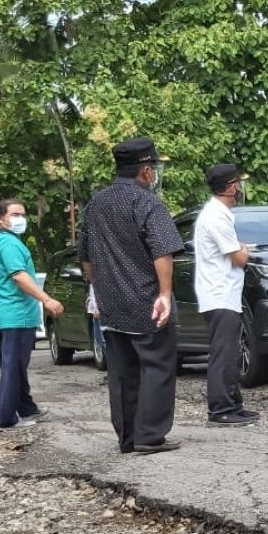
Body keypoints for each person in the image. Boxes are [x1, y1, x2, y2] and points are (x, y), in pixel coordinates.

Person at [78, 136, 184, 453]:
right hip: (146, 299)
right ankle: (150, 435)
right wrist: (165, 294)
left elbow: (86, 257)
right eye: (154, 167)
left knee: (122, 371)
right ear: (145, 171)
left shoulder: (95, 204)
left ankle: (127, 437)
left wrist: (96, 291)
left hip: (110, 302)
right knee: (157, 365)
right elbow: (163, 251)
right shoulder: (147, 202)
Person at [0, 198, 63, 429]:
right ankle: (5, 417)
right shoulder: (9, 244)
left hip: (0, 314)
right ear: (0, 218)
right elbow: (19, 276)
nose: (21, 219)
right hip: (15, 315)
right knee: (14, 367)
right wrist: (46, 299)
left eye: (23, 215)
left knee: (14, 365)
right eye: (15, 215)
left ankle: (26, 408)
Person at [194, 163, 258, 425]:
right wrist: (243, 249)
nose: (240, 188)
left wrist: (240, 248)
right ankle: (220, 409)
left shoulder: (219, 214)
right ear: (231, 187)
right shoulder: (216, 217)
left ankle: (233, 403)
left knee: (231, 351)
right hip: (219, 293)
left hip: (226, 293)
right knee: (223, 353)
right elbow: (239, 256)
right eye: (237, 183)